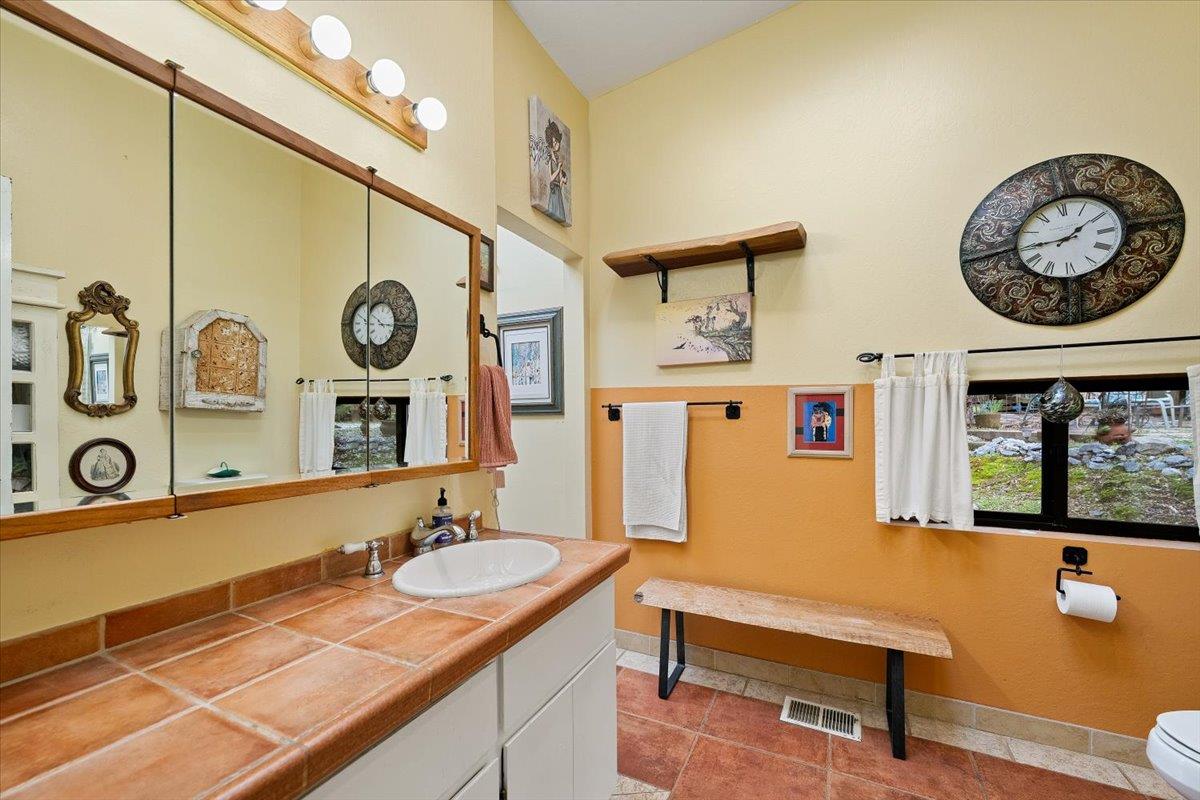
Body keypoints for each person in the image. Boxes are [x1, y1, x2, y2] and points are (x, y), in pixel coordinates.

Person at [544, 120, 568, 222]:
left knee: (559, 213)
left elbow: (559, 181)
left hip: (558, 191)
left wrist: (562, 180)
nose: (556, 144)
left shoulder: (558, 158)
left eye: (557, 141)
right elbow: (551, 178)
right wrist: (558, 169)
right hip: (554, 192)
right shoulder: (550, 159)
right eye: (554, 142)